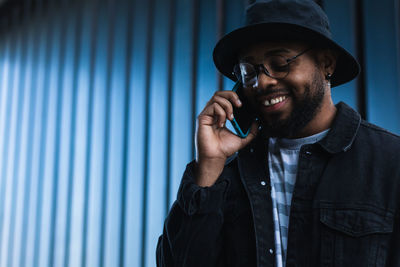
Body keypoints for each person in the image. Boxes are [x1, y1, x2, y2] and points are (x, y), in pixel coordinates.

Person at [156, 0, 400, 266]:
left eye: (280, 62)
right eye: (250, 71)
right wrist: (209, 167)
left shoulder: (390, 163)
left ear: (326, 63)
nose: (263, 82)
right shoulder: (224, 173)